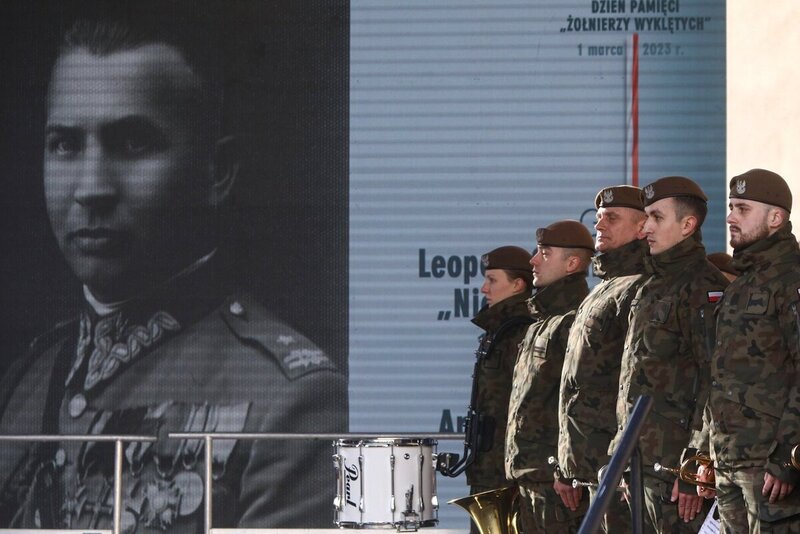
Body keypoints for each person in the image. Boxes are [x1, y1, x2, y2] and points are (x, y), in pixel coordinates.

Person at [0, 11, 347, 532]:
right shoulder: (28, 380)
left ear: (216, 173)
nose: (91, 186)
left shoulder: (298, 403)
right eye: (66, 144)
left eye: (133, 143)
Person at [609, 176, 728, 533]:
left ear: (688, 225)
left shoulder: (703, 286)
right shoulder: (652, 285)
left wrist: (696, 463)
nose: (645, 227)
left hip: (674, 469)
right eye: (645, 217)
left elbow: (715, 380)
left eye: (657, 217)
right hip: (640, 460)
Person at [697, 169, 800, 532]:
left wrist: (789, 459)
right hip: (729, 462)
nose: (729, 217)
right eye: (730, 207)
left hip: (769, 469)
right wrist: (707, 450)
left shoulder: (791, 280)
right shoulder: (743, 283)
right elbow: (720, 374)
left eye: (742, 208)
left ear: (776, 218)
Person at [555, 185, 647, 532]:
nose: (600, 225)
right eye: (598, 219)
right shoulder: (605, 287)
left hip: (616, 463)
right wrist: (568, 461)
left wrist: (615, 463)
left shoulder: (638, 287)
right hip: (590, 465)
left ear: (642, 228)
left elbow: (633, 380)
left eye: (612, 217)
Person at [505, 220, 594, 533]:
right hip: (533, 478)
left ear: (572, 264)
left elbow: (580, 400)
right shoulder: (541, 323)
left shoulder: (575, 321)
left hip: (559, 484)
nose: (533, 260)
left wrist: (567, 469)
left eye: (544, 253)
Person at [466, 246, 534, 500]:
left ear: (518, 285)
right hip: (490, 468)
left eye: (493, 280)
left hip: (506, 473)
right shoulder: (498, 331)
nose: (484, 288)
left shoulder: (521, 332)